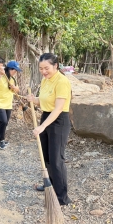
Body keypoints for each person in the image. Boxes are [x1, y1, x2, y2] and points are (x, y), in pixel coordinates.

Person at [26, 53, 72, 206]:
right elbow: (44, 102)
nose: (44, 71)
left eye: (46, 68)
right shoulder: (46, 81)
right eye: (41, 69)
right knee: (46, 157)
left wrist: (42, 126)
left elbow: (58, 108)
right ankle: (49, 186)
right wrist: (34, 100)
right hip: (46, 117)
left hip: (58, 121)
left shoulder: (62, 82)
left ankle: (61, 197)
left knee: (56, 160)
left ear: (55, 66)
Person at [0, 60, 21, 149]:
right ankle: (1, 140)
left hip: (8, 105)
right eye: (14, 70)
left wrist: (15, 88)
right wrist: (0, 74)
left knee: (5, 122)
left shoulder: (12, 79)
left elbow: (17, 90)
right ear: (9, 69)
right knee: (3, 121)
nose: (15, 73)